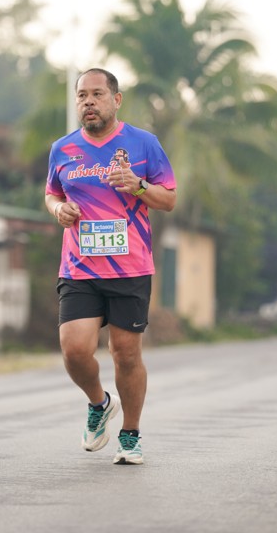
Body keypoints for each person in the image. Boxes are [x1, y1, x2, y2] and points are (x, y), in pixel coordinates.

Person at [45, 68, 176, 465]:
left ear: (116, 100)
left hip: (129, 268)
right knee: (74, 350)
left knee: (125, 354)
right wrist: (58, 210)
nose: (88, 101)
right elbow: (51, 194)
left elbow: (169, 199)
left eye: (97, 94)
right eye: (82, 95)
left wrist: (138, 185)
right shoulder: (62, 149)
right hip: (79, 267)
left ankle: (130, 435)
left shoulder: (144, 143)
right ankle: (99, 403)